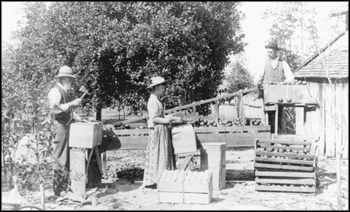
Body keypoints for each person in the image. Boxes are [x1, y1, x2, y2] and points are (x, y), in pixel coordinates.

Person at [48, 65, 84, 196]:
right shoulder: (55, 91)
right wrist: (72, 103)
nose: (72, 82)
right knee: (60, 157)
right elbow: (55, 109)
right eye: (70, 80)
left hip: (66, 125)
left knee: (67, 156)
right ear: (64, 79)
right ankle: (58, 189)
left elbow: (67, 111)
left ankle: (65, 186)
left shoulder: (66, 92)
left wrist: (78, 118)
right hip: (59, 126)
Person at [140, 76, 180, 189]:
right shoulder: (152, 101)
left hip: (161, 129)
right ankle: (157, 179)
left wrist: (168, 117)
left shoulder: (156, 100)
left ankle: (162, 178)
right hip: (157, 130)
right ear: (156, 88)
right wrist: (169, 120)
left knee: (162, 154)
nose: (163, 90)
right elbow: (154, 119)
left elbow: (159, 116)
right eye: (162, 88)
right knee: (158, 154)